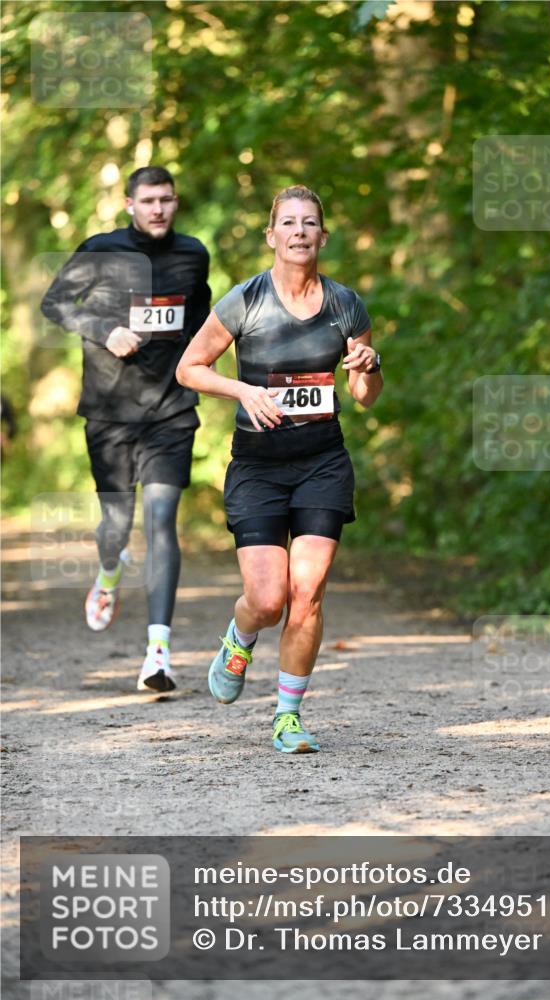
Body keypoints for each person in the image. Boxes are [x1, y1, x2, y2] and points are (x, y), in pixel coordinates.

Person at [176, 184, 383, 753]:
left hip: (322, 463)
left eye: (309, 223)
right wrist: (243, 390)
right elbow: (190, 368)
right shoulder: (246, 300)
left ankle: (288, 717)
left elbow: (364, 395)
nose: (299, 232)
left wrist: (369, 365)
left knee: (307, 592)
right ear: (271, 236)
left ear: (323, 236)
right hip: (259, 467)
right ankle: (239, 637)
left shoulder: (346, 305)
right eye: (288, 223)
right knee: (267, 600)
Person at [41, 166, 210, 693]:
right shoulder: (101, 249)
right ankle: (110, 569)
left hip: (171, 411)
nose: (158, 209)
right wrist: (103, 329)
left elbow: (201, 323)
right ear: (129, 204)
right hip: (110, 412)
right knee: (116, 523)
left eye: (166, 199)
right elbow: (54, 304)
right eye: (148, 200)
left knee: (161, 520)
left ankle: (158, 654)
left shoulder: (193, 254)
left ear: (176, 202)